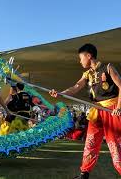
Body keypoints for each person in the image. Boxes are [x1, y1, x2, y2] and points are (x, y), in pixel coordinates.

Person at [49, 43, 121, 178]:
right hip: (96, 112)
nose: (80, 61)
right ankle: (84, 174)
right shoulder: (87, 74)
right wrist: (60, 93)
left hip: (112, 110)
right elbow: (75, 87)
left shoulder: (108, 68)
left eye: (81, 57)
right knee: (90, 142)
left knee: (115, 145)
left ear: (89, 56)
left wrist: (119, 107)